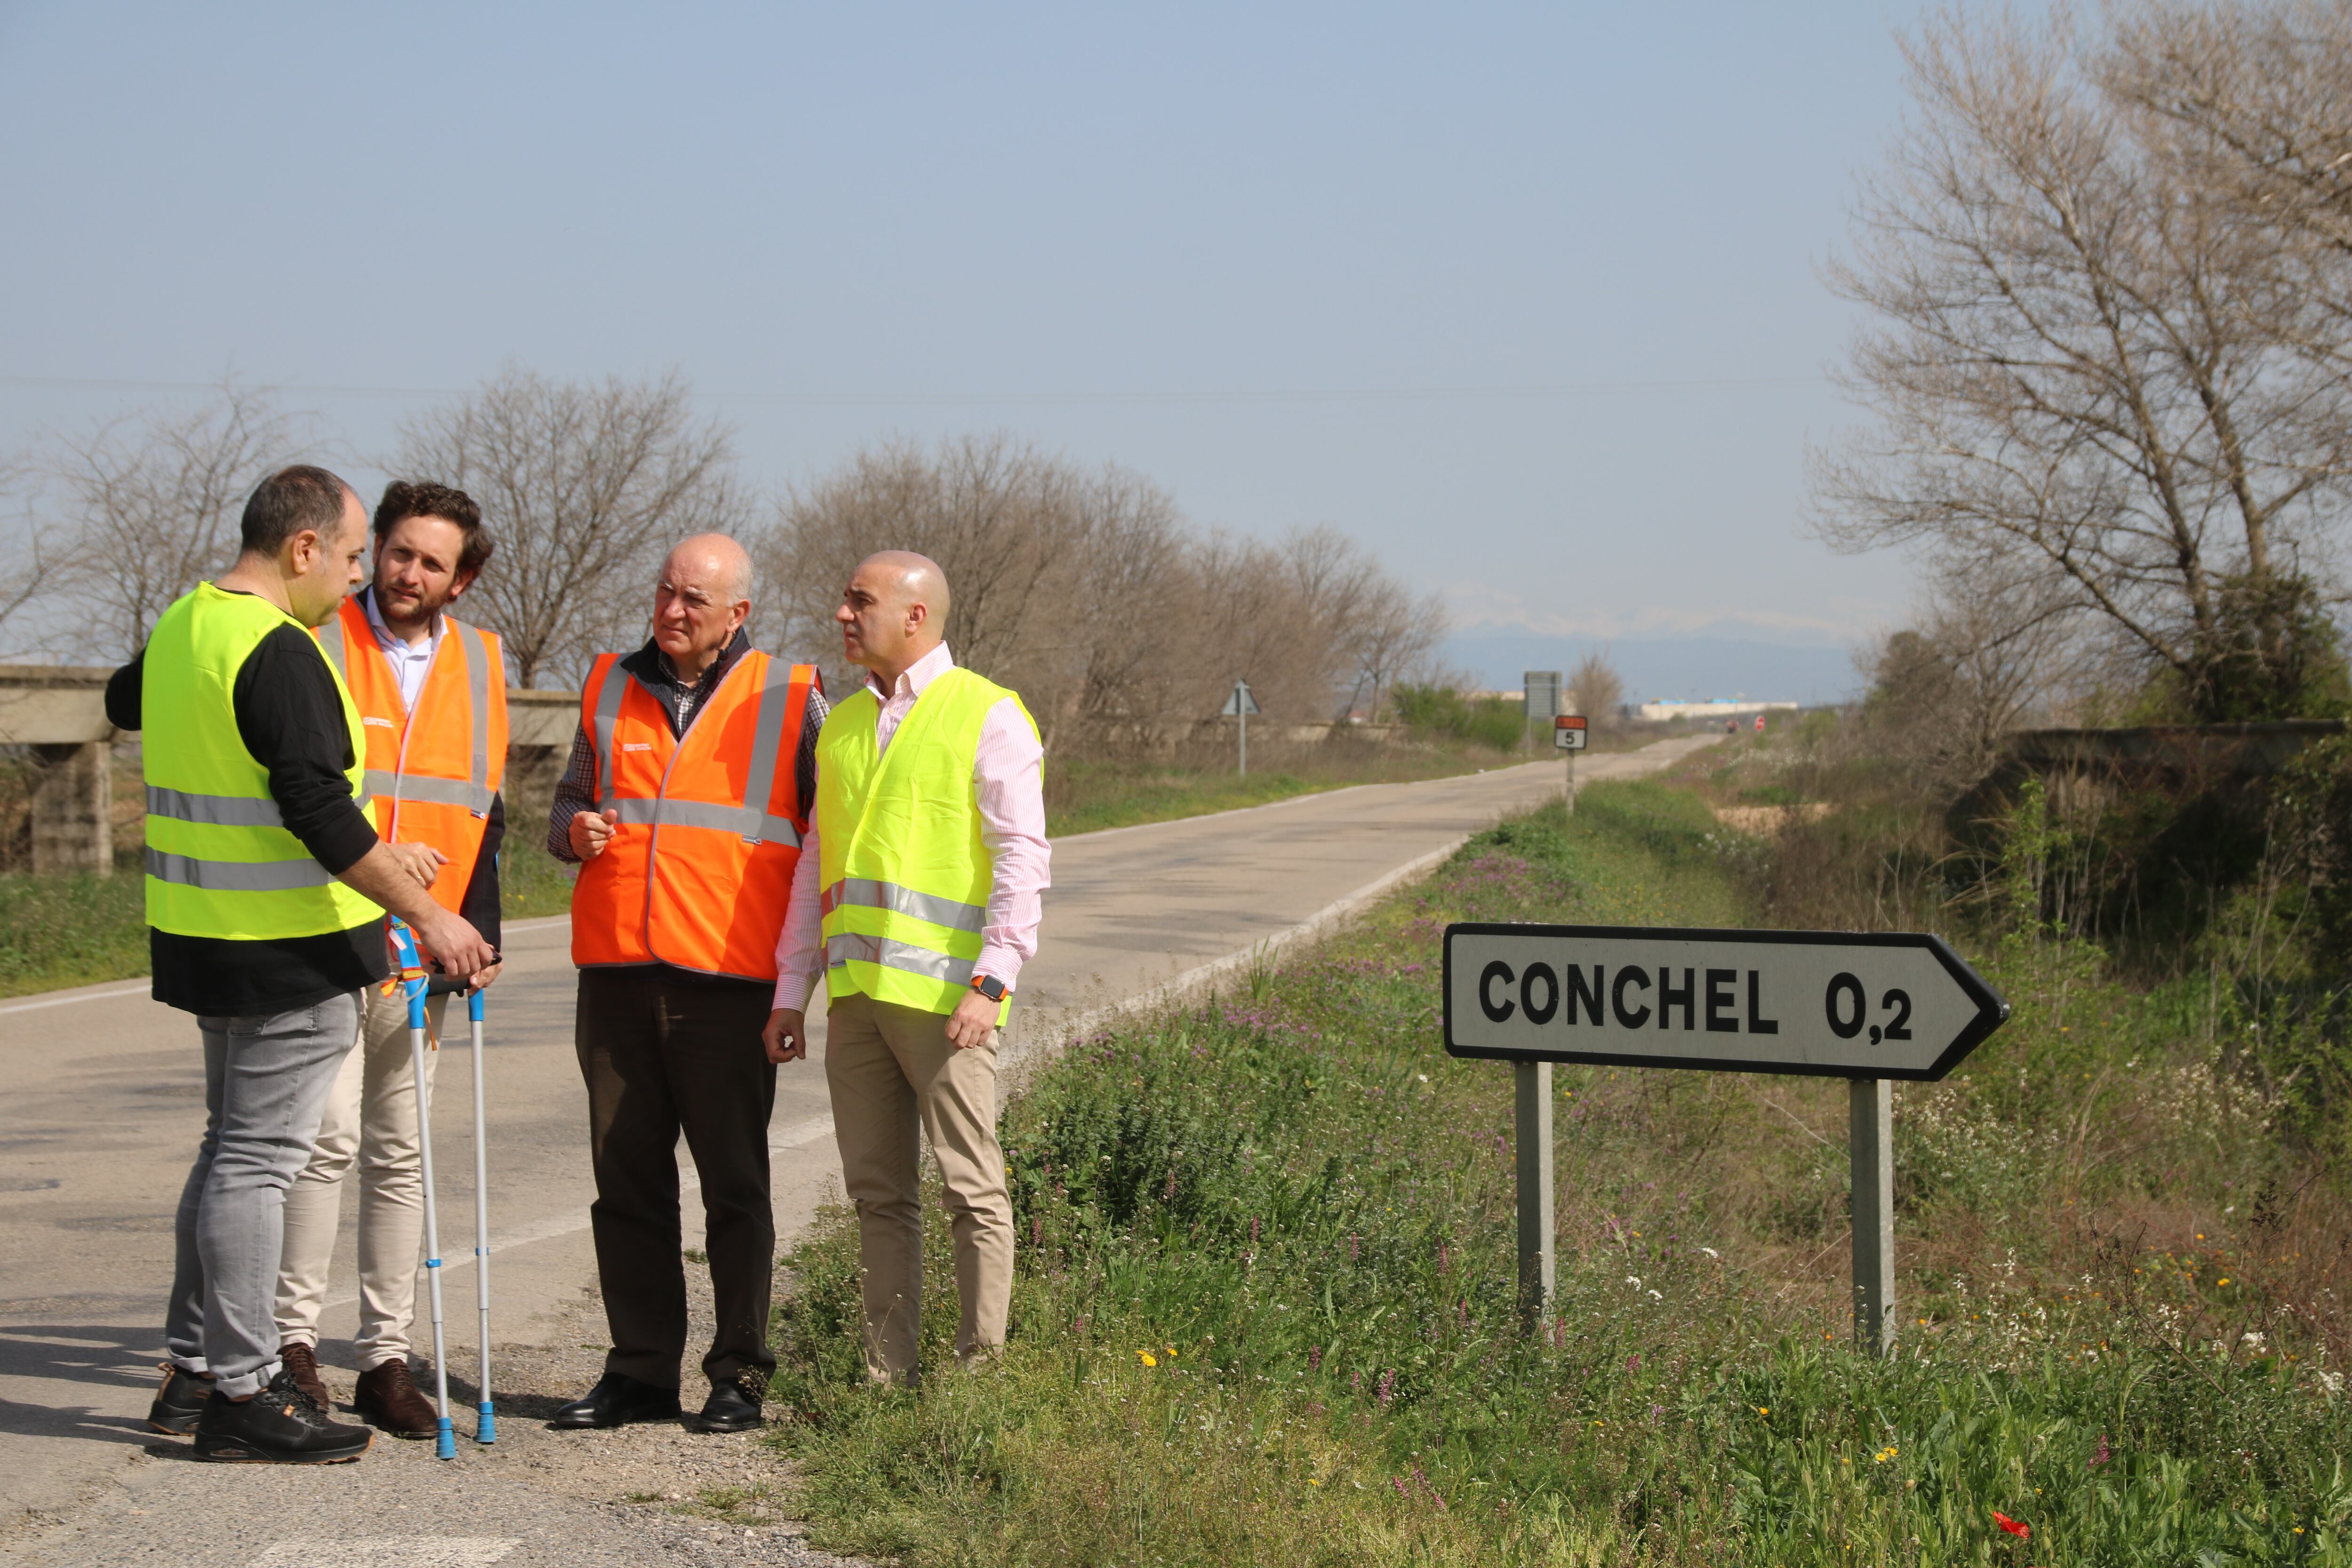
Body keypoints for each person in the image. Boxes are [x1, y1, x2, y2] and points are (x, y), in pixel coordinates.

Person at [106, 465, 497, 1465]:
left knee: (224, 1150)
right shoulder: (283, 652)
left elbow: (125, 699)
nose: (364, 572)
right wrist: (432, 917)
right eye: (359, 551)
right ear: (304, 548)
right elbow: (319, 811)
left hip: (202, 937)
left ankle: (192, 1375)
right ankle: (243, 1384)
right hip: (287, 947)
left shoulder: (189, 623)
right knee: (257, 1164)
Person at [544, 534, 826, 1433]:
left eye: (693, 600)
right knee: (625, 1182)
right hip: (619, 976)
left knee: (734, 1188)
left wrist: (798, 984)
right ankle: (638, 1372)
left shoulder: (791, 697)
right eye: (664, 592)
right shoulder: (610, 684)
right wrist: (574, 830)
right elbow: (563, 805)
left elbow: (824, 839)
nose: (671, 611)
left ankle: (739, 1373)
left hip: (730, 984)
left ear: (738, 613)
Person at [763, 550, 1050, 1386]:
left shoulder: (987, 713)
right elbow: (817, 865)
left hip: (948, 1003)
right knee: (878, 1196)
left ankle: (976, 1381)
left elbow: (1020, 859)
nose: (844, 613)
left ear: (917, 615)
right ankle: (886, 1379)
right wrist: (793, 993)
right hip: (857, 1004)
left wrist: (993, 981)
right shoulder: (845, 722)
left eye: (862, 600)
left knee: (972, 1190)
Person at [271, 480, 509, 1439]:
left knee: (401, 1154)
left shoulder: (484, 659)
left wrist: (478, 932)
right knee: (320, 1144)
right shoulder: (319, 636)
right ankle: (291, 1343)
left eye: (431, 562)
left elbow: (484, 809)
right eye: (399, 552)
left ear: (463, 578)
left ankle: (383, 1356)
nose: (408, 574)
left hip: (429, 949)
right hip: (328, 934)